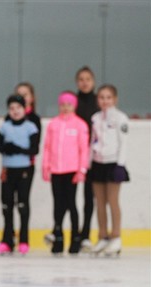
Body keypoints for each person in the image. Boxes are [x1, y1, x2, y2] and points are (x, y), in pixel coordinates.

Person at [42, 92, 89, 255]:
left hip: (72, 170)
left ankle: (75, 237)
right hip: (56, 170)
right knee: (58, 204)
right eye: (62, 104)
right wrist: (45, 166)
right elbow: (47, 147)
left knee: (71, 204)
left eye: (69, 104)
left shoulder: (80, 125)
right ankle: (58, 236)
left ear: (74, 105)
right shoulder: (53, 124)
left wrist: (82, 169)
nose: (65, 107)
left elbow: (84, 149)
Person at [0, 95, 39, 255]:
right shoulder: (5, 127)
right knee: (7, 206)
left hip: (24, 170)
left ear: (24, 108)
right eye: (11, 108)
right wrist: (7, 147)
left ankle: (24, 240)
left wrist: (17, 149)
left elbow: (34, 150)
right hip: (8, 170)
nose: (15, 111)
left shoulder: (30, 127)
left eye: (18, 108)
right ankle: (7, 240)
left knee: (23, 205)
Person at [89, 84, 129, 256]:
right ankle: (103, 236)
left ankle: (116, 237)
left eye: (108, 97)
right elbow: (93, 141)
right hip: (98, 163)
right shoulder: (95, 118)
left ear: (115, 99)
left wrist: (120, 164)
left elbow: (124, 142)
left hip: (113, 163)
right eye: (101, 97)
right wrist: (89, 161)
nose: (105, 101)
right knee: (99, 203)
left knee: (113, 201)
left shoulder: (121, 118)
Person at [75, 67, 101, 251]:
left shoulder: (98, 103)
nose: (85, 82)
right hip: (73, 155)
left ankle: (85, 234)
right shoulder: (72, 102)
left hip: (92, 156)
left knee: (88, 198)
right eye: (81, 79)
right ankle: (72, 233)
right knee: (68, 196)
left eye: (88, 79)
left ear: (93, 81)